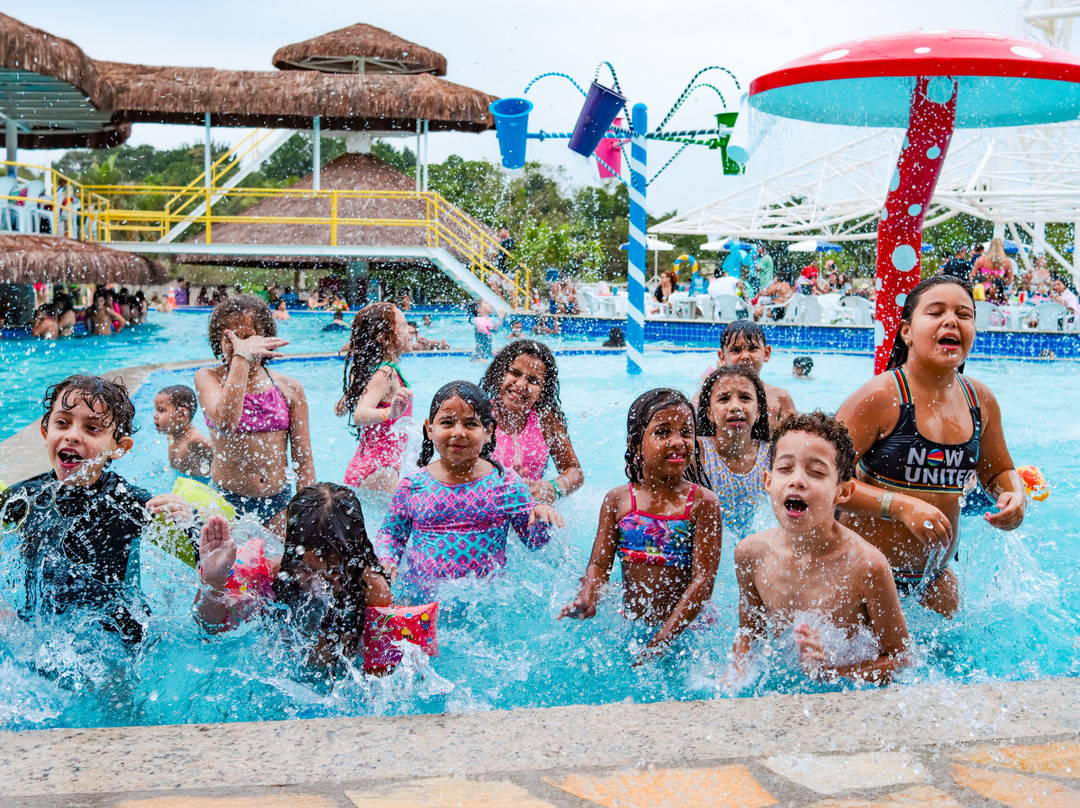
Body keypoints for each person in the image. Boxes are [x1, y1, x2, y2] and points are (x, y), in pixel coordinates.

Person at [835, 276, 1026, 617]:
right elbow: (822, 482)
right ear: (906, 331)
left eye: (964, 314)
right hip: (859, 570)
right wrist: (900, 506)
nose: (951, 320)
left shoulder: (979, 401)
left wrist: (1013, 494)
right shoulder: (881, 397)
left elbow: (998, 470)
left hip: (933, 577)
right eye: (936, 312)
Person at [0, 376, 194, 644]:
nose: (72, 435)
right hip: (37, 633)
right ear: (46, 434)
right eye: (62, 423)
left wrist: (186, 520)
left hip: (114, 639)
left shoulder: (128, 502)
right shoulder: (26, 497)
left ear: (119, 448)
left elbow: (201, 553)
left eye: (92, 428)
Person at [732, 412, 910, 684]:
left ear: (844, 492)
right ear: (768, 482)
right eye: (785, 469)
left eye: (816, 472)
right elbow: (749, 634)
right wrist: (737, 674)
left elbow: (902, 659)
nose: (797, 480)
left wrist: (834, 673)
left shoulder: (866, 566)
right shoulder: (750, 554)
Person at [559, 389, 721, 661]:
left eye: (686, 431)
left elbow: (703, 581)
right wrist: (588, 597)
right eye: (663, 432)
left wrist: (660, 642)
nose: (677, 441)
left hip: (686, 629)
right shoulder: (619, 500)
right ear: (635, 443)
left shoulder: (703, 502)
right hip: (632, 623)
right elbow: (599, 565)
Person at [375, 381, 563, 594]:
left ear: (489, 431)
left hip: (485, 603)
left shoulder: (506, 484)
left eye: (470, 424)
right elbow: (391, 534)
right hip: (423, 601)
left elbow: (534, 542)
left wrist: (540, 516)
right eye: (447, 422)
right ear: (429, 429)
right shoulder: (413, 486)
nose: (459, 432)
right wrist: (386, 560)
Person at [194, 483, 394, 672]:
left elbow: (379, 668)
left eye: (333, 571)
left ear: (355, 549)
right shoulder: (273, 575)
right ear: (291, 550)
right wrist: (214, 581)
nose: (319, 581)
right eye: (306, 568)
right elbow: (210, 629)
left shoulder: (372, 588)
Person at [195, 296, 316, 532]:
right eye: (231, 337)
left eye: (249, 337)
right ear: (218, 340)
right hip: (228, 501)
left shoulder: (290, 388)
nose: (240, 345)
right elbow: (227, 421)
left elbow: (303, 458)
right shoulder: (208, 378)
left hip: (278, 502)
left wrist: (308, 512)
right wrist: (243, 357)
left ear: (266, 340)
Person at [480, 340, 584, 504]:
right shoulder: (480, 416)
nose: (521, 385)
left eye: (533, 380)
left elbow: (574, 472)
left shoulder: (545, 420)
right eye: (514, 373)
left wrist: (554, 488)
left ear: (543, 390)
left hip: (533, 511)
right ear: (500, 374)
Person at [337, 302, 413, 493]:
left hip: (370, 464)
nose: (410, 330)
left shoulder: (372, 371)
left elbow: (340, 410)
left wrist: (351, 394)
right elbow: (359, 415)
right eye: (404, 326)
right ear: (385, 339)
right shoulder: (385, 373)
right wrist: (390, 412)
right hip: (381, 469)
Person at [695, 366, 771, 541]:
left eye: (745, 398)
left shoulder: (772, 455)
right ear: (709, 413)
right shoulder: (697, 453)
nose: (736, 407)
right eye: (724, 399)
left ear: (758, 411)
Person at [713, 320, 796, 432]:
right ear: (722, 357)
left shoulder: (780, 397)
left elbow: (793, 437)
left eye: (752, 348)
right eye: (736, 350)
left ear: (766, 353)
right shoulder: (713, 394)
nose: (745, 356)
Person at [153, 384, 213, 482]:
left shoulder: (195, 440)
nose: (155, 415)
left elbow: (224, 458)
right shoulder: (170, 436)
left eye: (161, 410)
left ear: (182, 414)